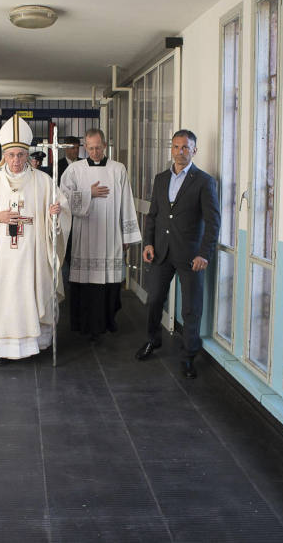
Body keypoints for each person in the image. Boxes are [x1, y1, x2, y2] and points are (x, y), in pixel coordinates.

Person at [0, 114, 70, 365]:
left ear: (27, 155)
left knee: (34, 293)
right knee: (5, 298)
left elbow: (59, 213)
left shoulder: (43, 182)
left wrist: (54, 216)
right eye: (11, 155)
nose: (16, 160)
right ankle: (4, 350)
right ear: (4, 154)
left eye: (21, 155)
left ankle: (35, 344)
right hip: (2, 256)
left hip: (33, 255)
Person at [135, 129, 220, 379]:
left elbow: (212, 221)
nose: (180, 152)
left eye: (185, 147)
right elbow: (154, 215)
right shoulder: (161, 178)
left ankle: (188, 357)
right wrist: (148, 243)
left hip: (191, 256)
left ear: (195, 150)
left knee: (191, 309)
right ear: (170, 149)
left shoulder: (204, 181)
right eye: (176, 147)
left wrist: (204, 253)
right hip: (161, 252)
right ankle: (153, 340)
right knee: (154, 301)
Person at [59, 128, 140, 341]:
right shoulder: (75, 170)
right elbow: (63, 199)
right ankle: (84, 324)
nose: (94, 152)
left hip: (111, 234)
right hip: (84, 235)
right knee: (84, 284)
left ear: (105, 145)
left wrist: (127, 235)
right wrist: (89, 194)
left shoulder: (118, 169)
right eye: (90, 148)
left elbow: (127, 202)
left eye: (98, 147)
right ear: (85, 147)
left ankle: (107, 322)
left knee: (108, 283)